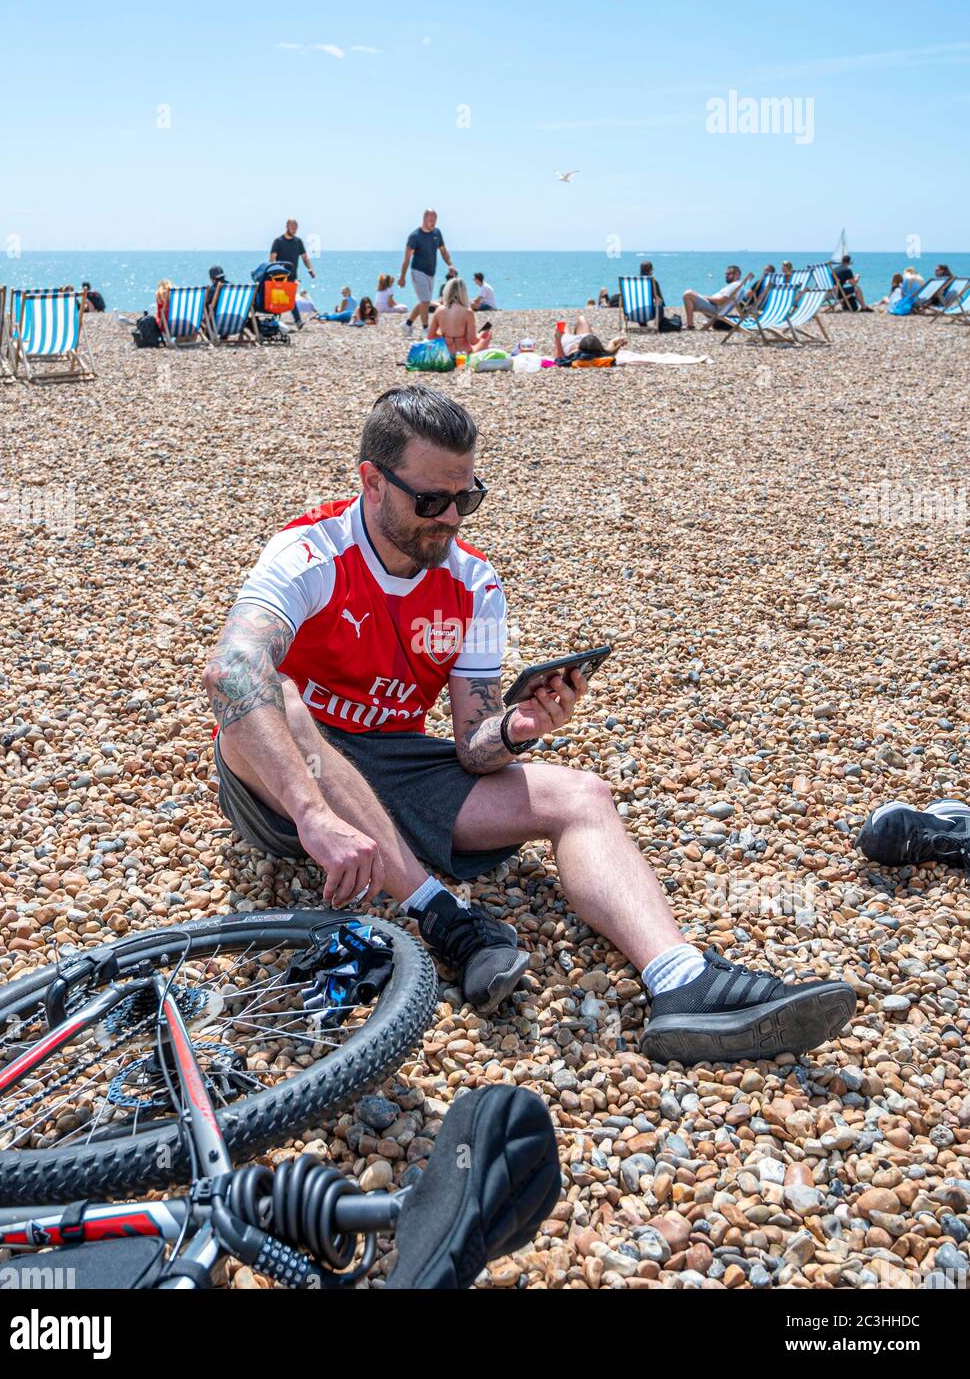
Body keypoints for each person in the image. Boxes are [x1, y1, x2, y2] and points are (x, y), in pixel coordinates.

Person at [203, 386, 856, 1059]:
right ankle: (439, 912)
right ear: (371, 481)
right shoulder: (311, 554)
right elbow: (231, 669)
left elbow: (474, 747)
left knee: (581, 796)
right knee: (276, 695)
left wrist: (516, 728)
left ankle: (682, 981)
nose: (451, 518)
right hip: (282, 780)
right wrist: (313, 812)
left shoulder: (473, 584)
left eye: (467, 499)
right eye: (431, 501)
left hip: (394, 765)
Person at [398, 209, 453, 335]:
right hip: (417, 271)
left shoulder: (437, 233)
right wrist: (402, 276)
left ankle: (407, 324)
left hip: (431, 273)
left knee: (425, 301)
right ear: (424, 219)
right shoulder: (415, 236)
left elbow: (443, 250)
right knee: (424, 301)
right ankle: (425, 330)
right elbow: (407, 258)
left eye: (435, 220)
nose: (433, 223)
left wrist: (450, 264)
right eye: (430, 220)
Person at [427, 278, 492, 355]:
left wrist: (445, 335)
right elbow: (473, 341)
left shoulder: (439, 310)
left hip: (445, 354)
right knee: (487, 335)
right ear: (463, 293)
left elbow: (430, 336)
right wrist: (482, 335)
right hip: (464, 354)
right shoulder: (468, 312)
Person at [270, 219, 317, 327]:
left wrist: (310, 268)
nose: (294, 230)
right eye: (292, 228)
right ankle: (293, 321)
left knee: (289, 298)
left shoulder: (298, 241)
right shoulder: (278, 241)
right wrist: (270, 272)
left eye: (296, 228)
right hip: (279, 276)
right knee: (281, 299)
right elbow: (272, 258)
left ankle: (294, 321)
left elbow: (304, 257)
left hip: (292, 275)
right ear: (287, 226)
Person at [682, 264, 744, 330]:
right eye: (726, 274)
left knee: (688, 294)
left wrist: (705, 297)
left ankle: (690, 325)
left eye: (728, 274)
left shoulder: (734, 286)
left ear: (737, 275)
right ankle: (689, 323)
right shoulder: (739, 285)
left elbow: (720, 301)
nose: (726, 276)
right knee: (690, 296)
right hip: (717, 308)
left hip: (716, 310)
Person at [554, 314, 627, 360]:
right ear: (599, 347)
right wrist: (618, 342)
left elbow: (559, 359)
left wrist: (558, 339)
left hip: (569, 342)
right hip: (588, 340)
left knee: (563, 325)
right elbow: (611, 347)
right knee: (581, 318)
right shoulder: (602, 353)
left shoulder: (574, 355)